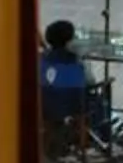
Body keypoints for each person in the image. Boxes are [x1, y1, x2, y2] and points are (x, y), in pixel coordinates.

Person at [40, 17, 114, 145]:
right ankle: (103, 135)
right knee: (100, 99)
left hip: (47, 105)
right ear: (68, 41)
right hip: (75, 106)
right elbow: (90, 82)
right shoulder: (75, 62)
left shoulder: (42, 59)